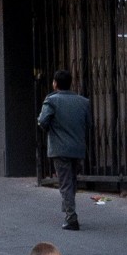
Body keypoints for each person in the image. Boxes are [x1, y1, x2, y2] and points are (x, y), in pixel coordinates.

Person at [38, 70, 93, 232]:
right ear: (70, 83)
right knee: (72, 181)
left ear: (55, 83)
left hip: (60, 149)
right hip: (77, 148)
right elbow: (89, 124)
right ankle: (69, 210)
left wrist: (51, 129)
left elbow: (42, 121)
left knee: (65, 183)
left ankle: (71, 217)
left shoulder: (51, 100)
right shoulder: (83, 102)